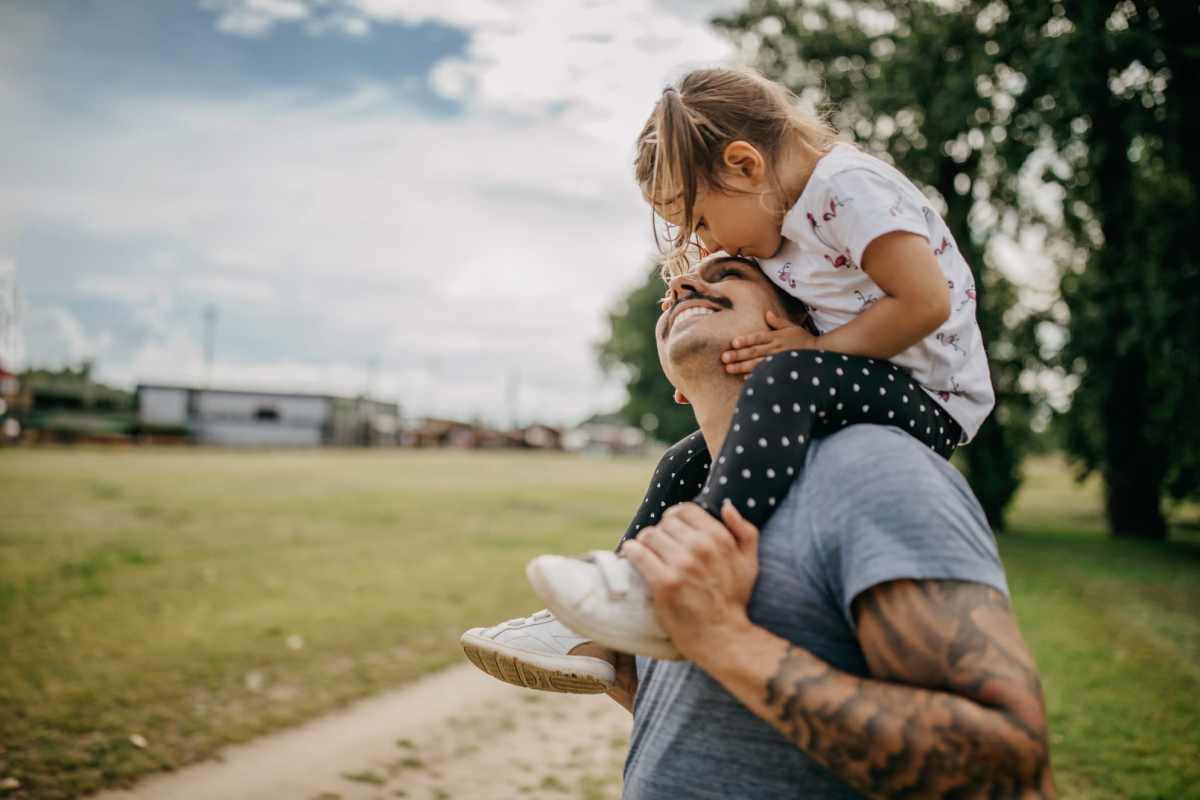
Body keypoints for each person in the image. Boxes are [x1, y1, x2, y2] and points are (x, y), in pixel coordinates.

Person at [464, 65, 994, 679]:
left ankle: (692, 571)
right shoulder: (782, 220)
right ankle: (608, 616)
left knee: (787, 374)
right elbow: (743, 287)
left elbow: (925, 304)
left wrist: (809, 352)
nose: (708, 242)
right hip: (869, 379)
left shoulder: (848, 189)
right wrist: (688, 308)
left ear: (745, 166)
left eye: (703, 220)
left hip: (932, 400)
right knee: (683, 460)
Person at [610, 254, 1054, 797]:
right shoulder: (686, 497)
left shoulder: (872, 468)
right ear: (678, 388)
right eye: (671, 296)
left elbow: (1009, 770)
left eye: (729, 275)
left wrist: (725, 639)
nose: (682, 284)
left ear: (802, 328)